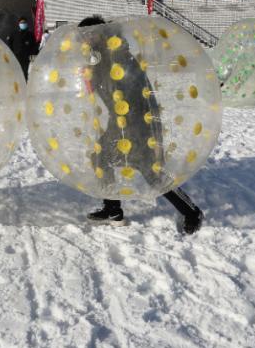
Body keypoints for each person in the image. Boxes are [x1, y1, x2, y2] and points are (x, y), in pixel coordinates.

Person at [77, 16, 204, 234]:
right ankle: (112, 209)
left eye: (87, 35)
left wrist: (137, 127)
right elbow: (103, 88)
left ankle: (192, 211)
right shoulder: (100, 55)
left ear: (99, 33)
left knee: (151, 172)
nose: (84, 40)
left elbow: (131, 88)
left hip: (136, 122)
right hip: (119, 121)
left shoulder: (118, 53)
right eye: (82, 37)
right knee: (100, 158)